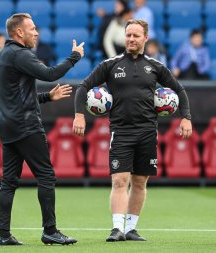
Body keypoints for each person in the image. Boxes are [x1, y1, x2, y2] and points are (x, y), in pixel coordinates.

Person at [73, 19, 192, 242]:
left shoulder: (155, 67)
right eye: (128, 35)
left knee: (139, 182)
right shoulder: (111, 64)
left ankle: (130, 229)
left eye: (136, 36)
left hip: (148, 132)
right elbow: (83, 88)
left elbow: (180, 90)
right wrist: (79, 114)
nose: (131, 39)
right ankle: (117, 228)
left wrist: (186, 117)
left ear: (145, 38)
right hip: (121, 132)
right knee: (119, 180)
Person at [0, 13, 85, 246]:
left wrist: (46, 97)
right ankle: (50, 231)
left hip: (7, 125)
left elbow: (17, 95)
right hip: (26, 125)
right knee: (46, 175)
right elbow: (50, 74)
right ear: (19, 32)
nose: (36, 32)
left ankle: (3, 234)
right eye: (32, 28)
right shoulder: (21, 54)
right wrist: (74, 57)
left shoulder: (4, 55)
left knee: (9, 181)